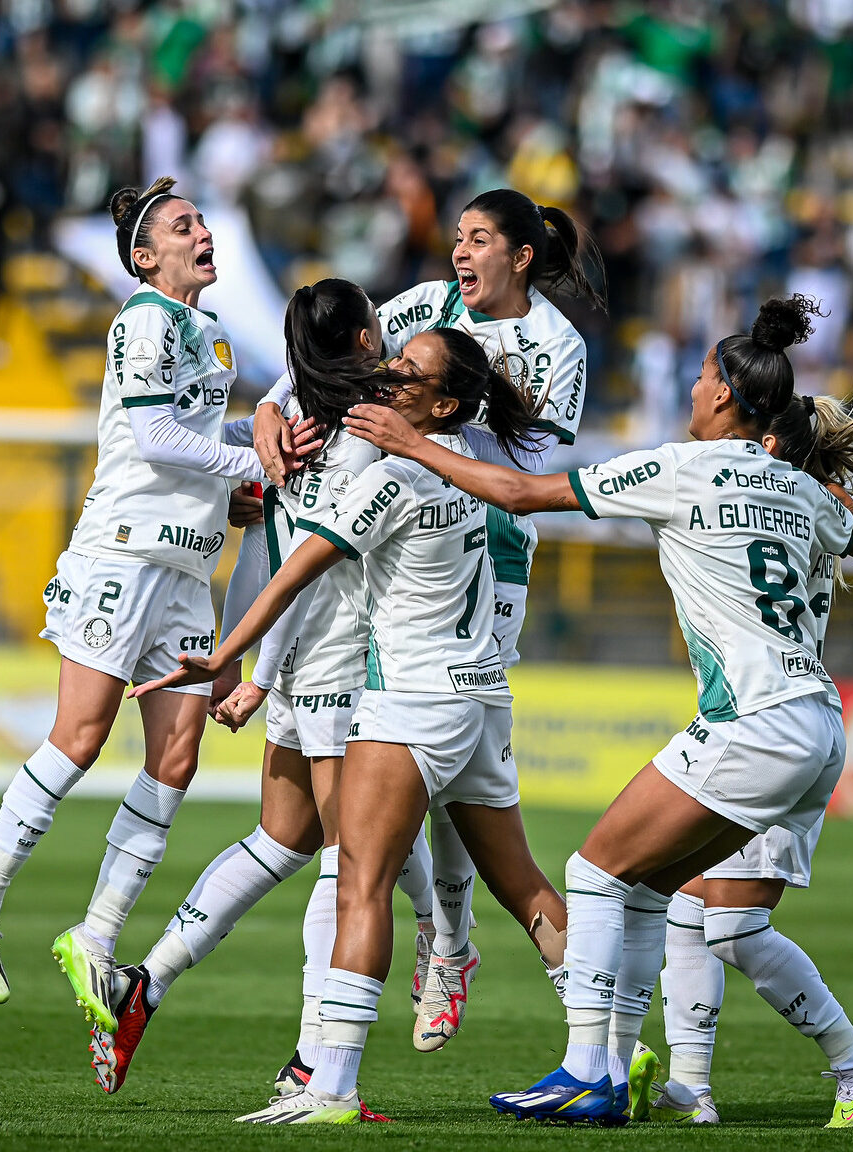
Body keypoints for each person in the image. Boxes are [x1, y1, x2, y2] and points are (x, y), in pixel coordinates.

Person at [344, 296, 853, 1126]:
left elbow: (521, 495)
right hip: (819, 726)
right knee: (643, 891)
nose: (694, 385)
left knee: (592, 871)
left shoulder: (681, 466)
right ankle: (609, 1074)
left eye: (704, 374)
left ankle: (586, 1068)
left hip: (753, 720)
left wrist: (413, 445)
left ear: (723, 399)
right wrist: (801, 483)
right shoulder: (800, 489)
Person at [133, 325, 567, 1125]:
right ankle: (605, 1052)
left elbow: (295, 571)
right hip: (481, 700)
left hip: (412, 701)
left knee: (359, 881)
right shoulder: (473, 471)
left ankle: (328, 1085)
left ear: (440, 404)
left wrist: (225, 657)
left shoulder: (396, 479)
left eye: (409, 374)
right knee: (526, 885)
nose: (389, 375)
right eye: (393, 362)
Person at [255, 187, 605, 1048]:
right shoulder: (425, 306)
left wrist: (423, 441)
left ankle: (440, 953)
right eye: (457, 236)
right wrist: (268, 414)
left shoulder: (557, 347)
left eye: (478, 238)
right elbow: (321, 369)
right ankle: (480, 960)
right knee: (462, 783)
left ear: (522, 257)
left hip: (485, 562)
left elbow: (525, 469)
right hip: (396, 545)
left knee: (434, 781)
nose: (459, 251)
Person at [0, 177, 271, 1020]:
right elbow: (158, 439)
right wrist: (253, 462)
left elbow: (198, 433)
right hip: (123, 555)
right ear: (146, 254)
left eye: (202, 220)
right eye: (185, 225)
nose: (203, 232)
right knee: (80, 738)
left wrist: (257, 437)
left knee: (178, 759)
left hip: (189, 571)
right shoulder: (144, 320)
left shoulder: (213, 333)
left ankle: (95, 935)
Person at [646, 381, 853, 1128]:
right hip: (755, 718)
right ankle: (691, 1086)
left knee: (732, 926)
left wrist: (803, 470)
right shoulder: (808, 505)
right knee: (688, 903)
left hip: (777, 723)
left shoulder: (793, 495)